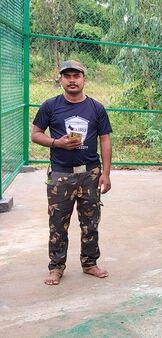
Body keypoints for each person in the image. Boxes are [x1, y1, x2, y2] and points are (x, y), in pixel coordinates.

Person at [31, 60, 113, 286]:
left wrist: (106, 173)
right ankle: (56, 267)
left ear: (84, 79)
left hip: (89, 174)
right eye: (67, 76)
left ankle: (90, 263)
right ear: (61, 80)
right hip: (60, 175)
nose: (72, 80)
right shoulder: (50, 106)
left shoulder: (96, 108)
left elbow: (105, 140)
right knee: (58, 222)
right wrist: (56, 142)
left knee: (90, 222)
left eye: (76, 76)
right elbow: (36, 134)